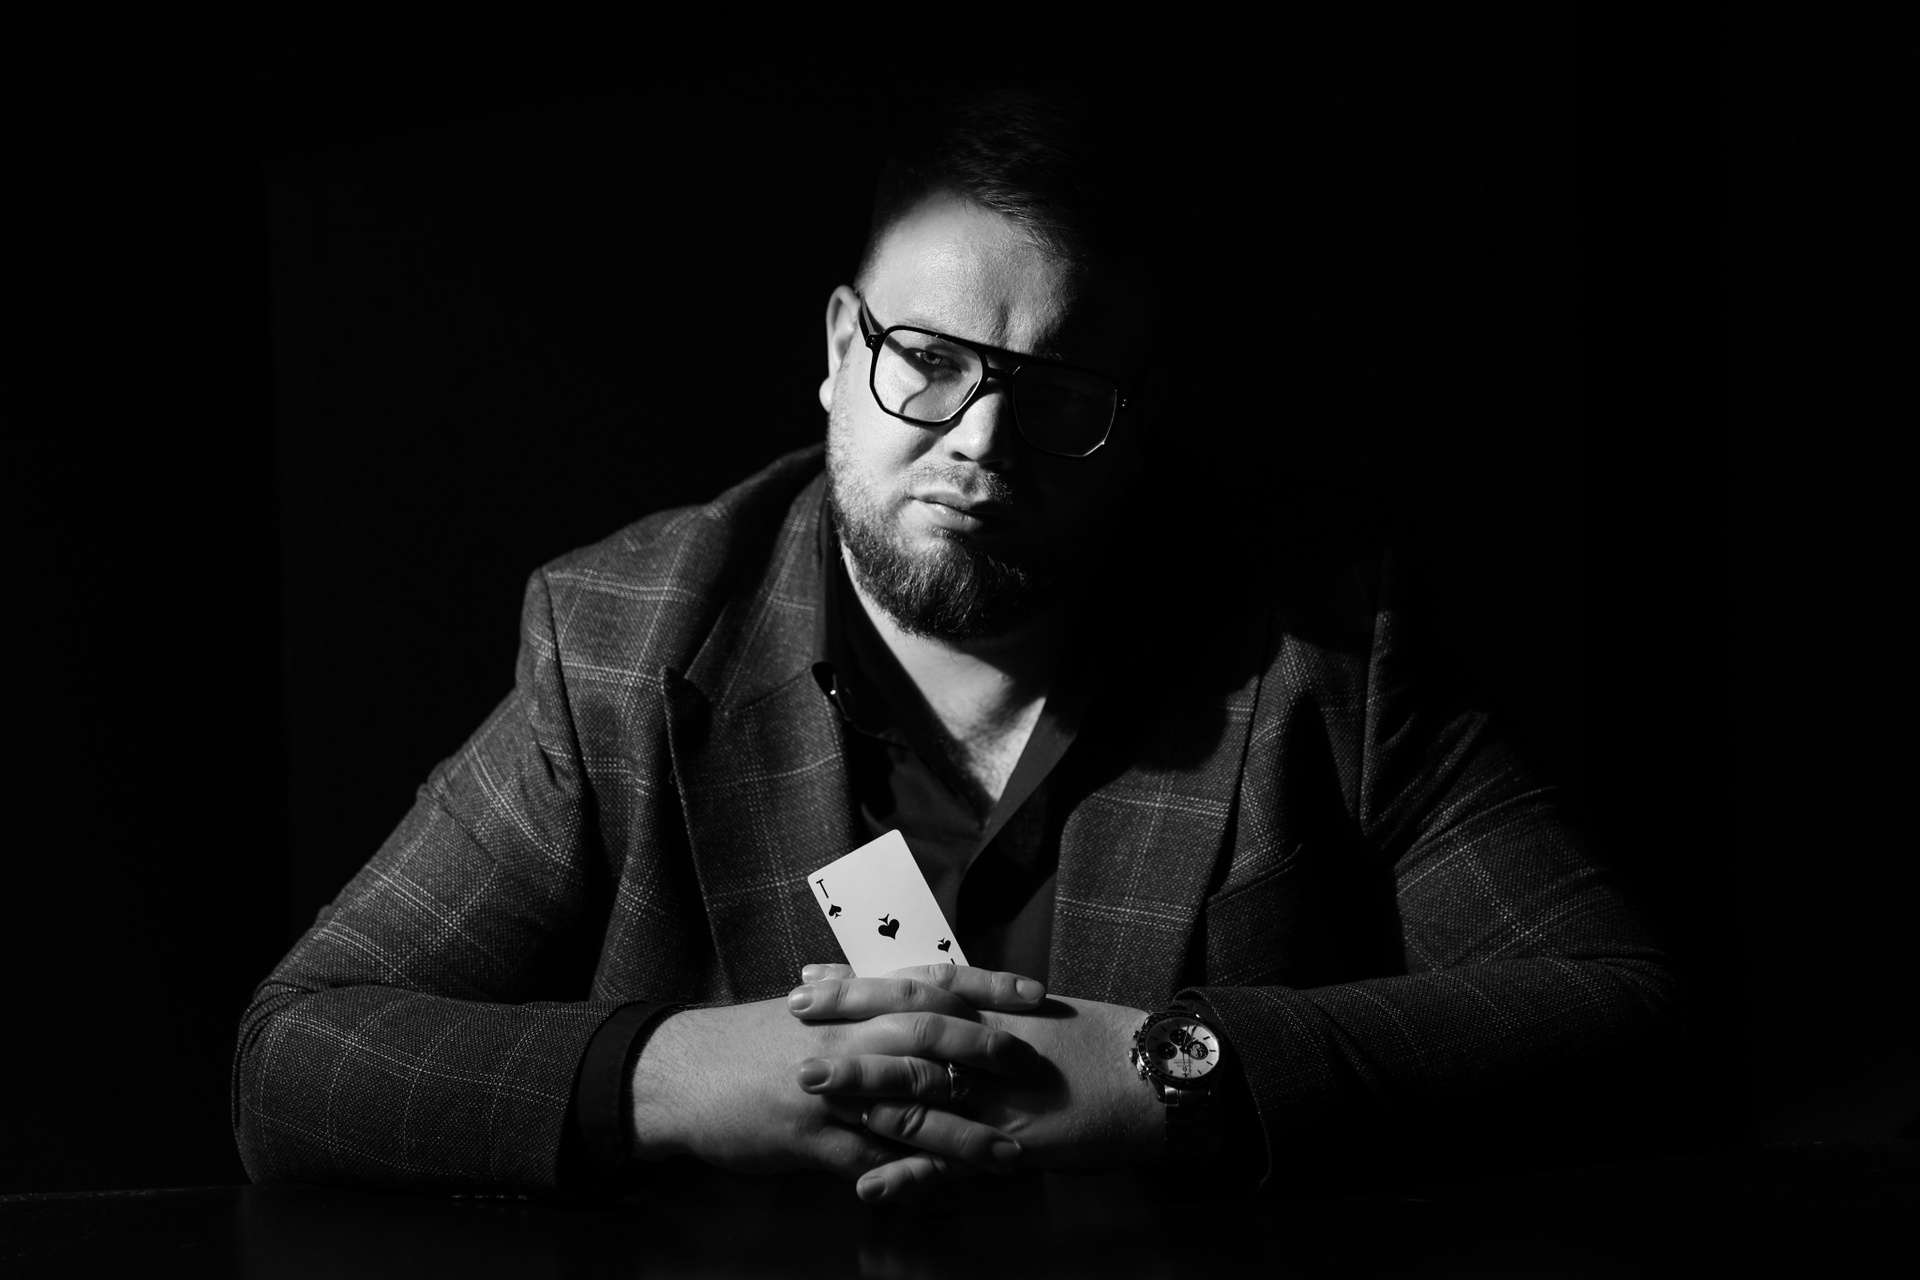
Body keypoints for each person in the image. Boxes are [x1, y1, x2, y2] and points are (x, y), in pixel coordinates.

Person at [232, 87, 1675, 1205]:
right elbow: (293, 1058)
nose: (981, 442)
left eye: (1058, 395)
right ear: (839, 347)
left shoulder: (1327, 632)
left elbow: (1619, 1011)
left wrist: (1168, 1074)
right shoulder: (618, 638)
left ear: (1135, 420)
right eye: (927, 362)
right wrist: (672, 1076)